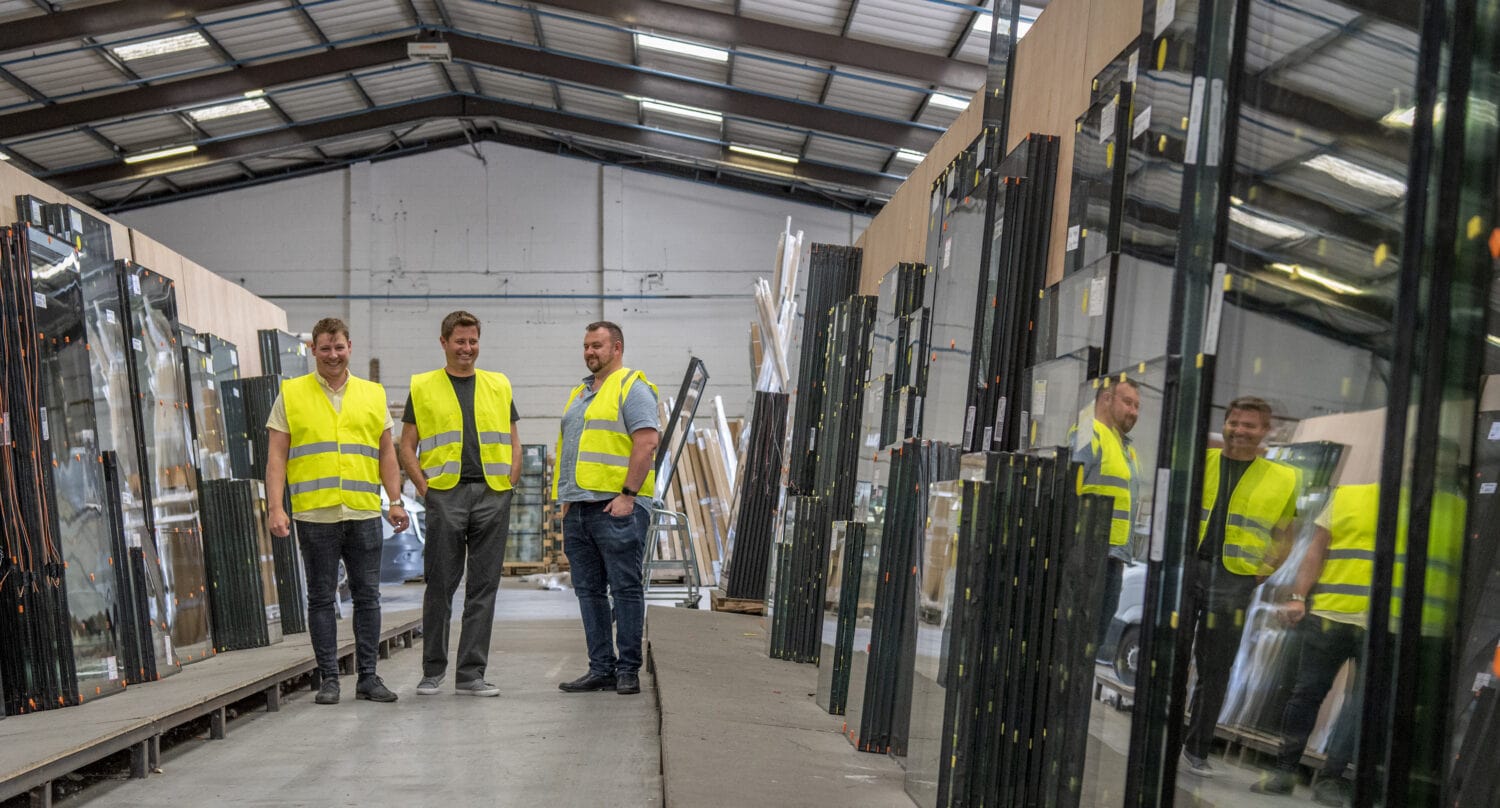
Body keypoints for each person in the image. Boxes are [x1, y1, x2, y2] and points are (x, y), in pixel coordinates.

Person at [266, 317, 406, 705]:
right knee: (321, 598)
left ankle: (368, 677)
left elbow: (386, 453)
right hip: (315, 514)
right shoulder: (291, 394)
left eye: (339, 347)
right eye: (325, 348)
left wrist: (394, 501)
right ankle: (329, 678)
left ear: (350, 347)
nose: (332, 355)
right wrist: (275, 507)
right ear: (313, 350)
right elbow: (276, 456)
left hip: (362, 512)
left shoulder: (372, 394)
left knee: (368, 597)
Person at [398, 310, 519, 698]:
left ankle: (471, 676)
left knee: (484, 588)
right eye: (460, 341)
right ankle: (432, 671)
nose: (467, 349)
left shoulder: (499, 384)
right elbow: (406, 444)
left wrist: (509, 483)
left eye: (473, 341)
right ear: (444, 343)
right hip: (445, 494)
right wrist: (424, 488)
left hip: (492, 494)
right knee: (440, 585)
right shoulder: (423, 386)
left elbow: (514, 439)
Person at [1181, 397, 1299, 777]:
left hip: (1234, 580)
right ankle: (1161, 738)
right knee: (1169, 658)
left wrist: (1261, 571)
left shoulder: (1284, 478)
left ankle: (1196, 749)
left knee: (1215, 669)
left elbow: (1285, 535)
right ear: (1226, 424)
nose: (1240, 431)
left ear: (1265, 431)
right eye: (1234, 423)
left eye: (1249, 425)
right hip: (1188, 571)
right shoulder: (1203, 463)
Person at [552, 321, 660, 696]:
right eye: (585, 346)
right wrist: (566, 501)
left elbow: (646, 443)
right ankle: (601, 668)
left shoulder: (633, 387)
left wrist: (628, 495)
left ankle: (628, 669)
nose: (589, 353)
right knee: (589, 592)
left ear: (617, 347)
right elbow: (570, 450)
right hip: (580, 509)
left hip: (617, 507)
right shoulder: (580, 393)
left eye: (596, 346)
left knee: (625, 589)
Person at [1075, 377, 1142, 654]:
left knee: (1095, 640)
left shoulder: (1126, 448)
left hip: (1113, 556)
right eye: (1127, 402)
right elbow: (1069, 490)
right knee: (1080, 636)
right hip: (1089, 554)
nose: (1134, 412)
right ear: (1106, 399)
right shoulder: (1089, 434)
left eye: (1137, 406)